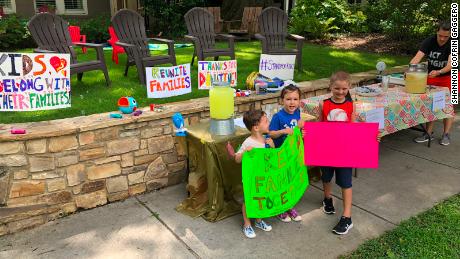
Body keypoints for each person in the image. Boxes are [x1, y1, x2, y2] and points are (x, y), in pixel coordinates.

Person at [318, 71, 355, 235]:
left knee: (346, 182)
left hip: (345, 150)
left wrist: (370, 137)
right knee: (326, 176)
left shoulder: (351, 105)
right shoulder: (323, 104)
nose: (340, 92)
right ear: (330, 87)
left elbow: (354, 128)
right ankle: (327, 199)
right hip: (326, 148)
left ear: (349, 88)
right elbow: (320, 124)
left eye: (344, 89)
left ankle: (347, 217)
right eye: (337, 88)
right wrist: (309, 134)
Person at [232, 110, 274, 238]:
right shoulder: (248, 142)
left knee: (261, 199)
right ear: (256, 127)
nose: (269, 123)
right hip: (251, 179)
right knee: (249, 201)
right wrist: (245, 153)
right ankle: (247, 224)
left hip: (264, 177)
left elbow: (271, 159)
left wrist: (272, 147)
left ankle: (259, 220)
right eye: (266, 121)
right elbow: (237, 159)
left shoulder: (267, 140)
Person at [410, 21, 453, 146]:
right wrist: (409, 70)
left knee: (448, 105)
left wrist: (439, 72)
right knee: (431, 103)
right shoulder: (429, 41)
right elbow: (417, 58)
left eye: (446, 36)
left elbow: (451, 64)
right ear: (437, 32)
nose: (442, 39)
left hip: (450, 76)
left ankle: (446, 134)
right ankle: (428, 133)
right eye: (440, 35)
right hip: (432, 75)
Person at [269, 84, 304, 223]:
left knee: (290, 181)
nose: (292, 102)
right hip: (280, 156)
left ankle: (289, 205)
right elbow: (271, 133)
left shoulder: (298, 113)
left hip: (292, 155)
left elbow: (297, 133)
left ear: (299, 101)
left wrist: (302, 132)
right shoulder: (278, 117)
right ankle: (280, 208)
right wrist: (283, 131)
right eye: (288, 99)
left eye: (295, 99)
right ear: (282, 100)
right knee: (281, 182)